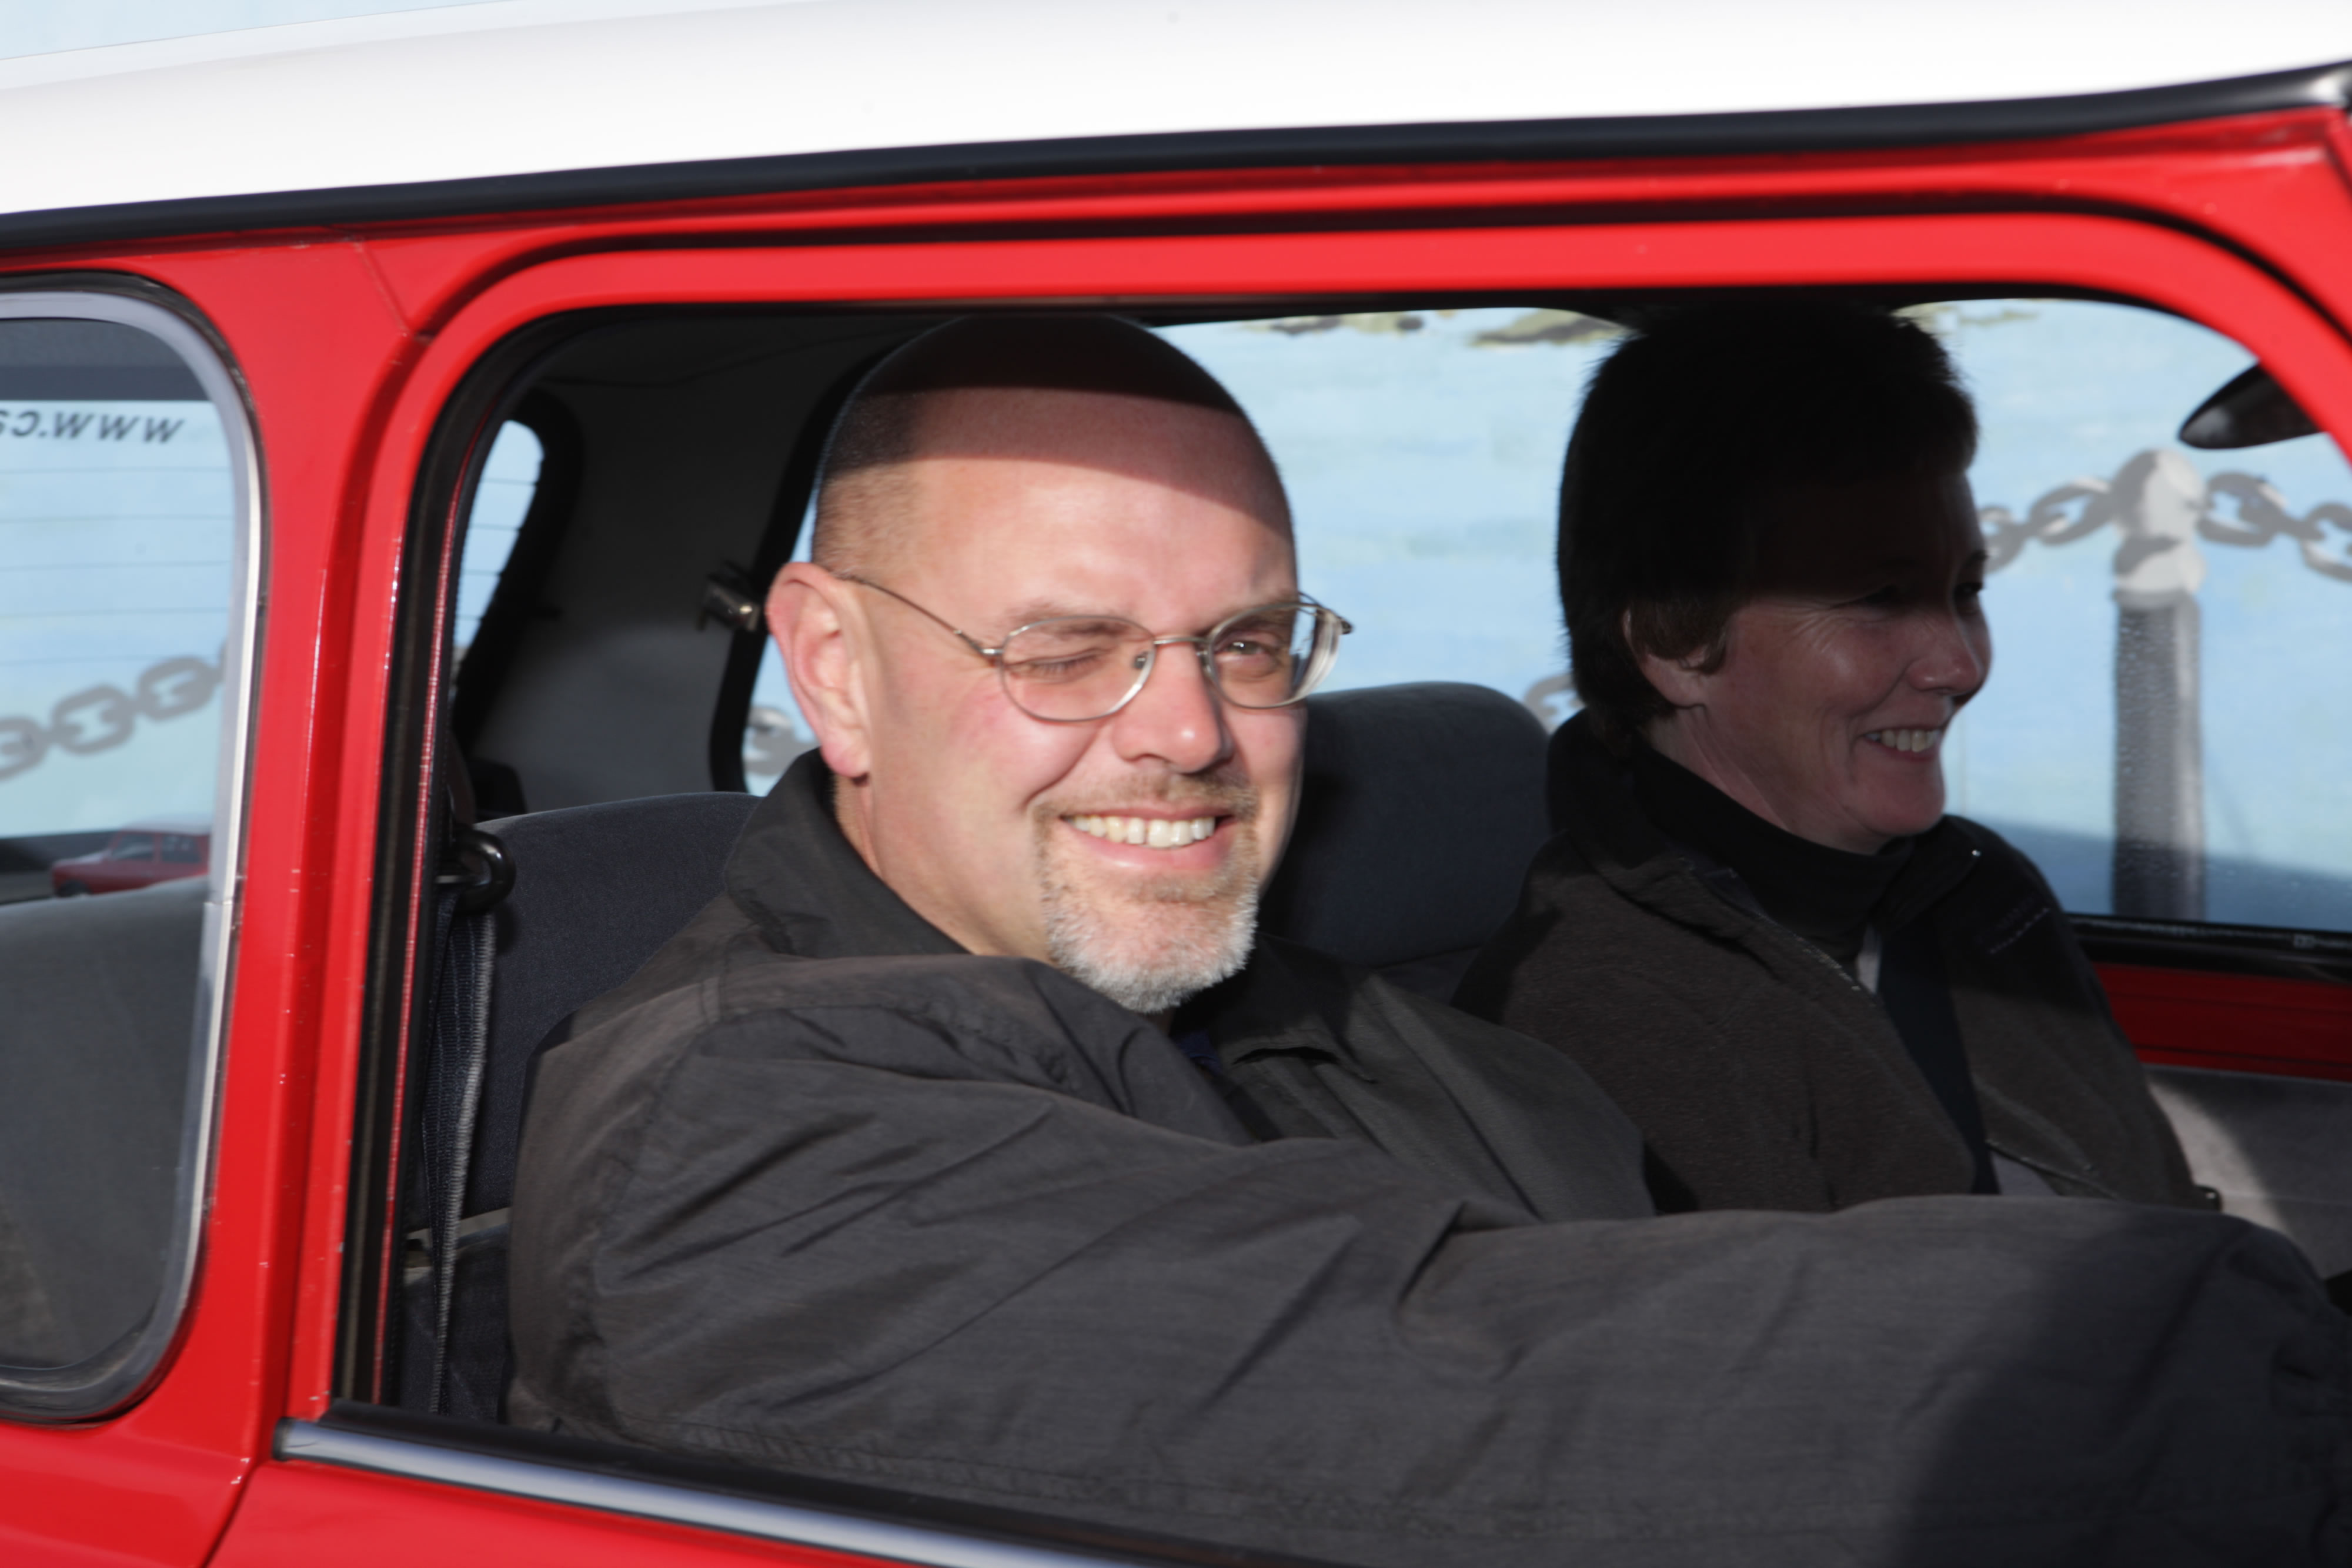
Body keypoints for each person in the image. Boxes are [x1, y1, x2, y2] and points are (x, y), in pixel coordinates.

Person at [509, 314, 2348, 1565]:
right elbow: (1506, 1387)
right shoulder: (745, 1144)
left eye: (1248, 644)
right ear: (833, 666)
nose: (1189, 730)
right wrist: (2265, 1370)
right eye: (1067, 651)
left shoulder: (1311, 1009)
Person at [1456, 300, 2200, 1216]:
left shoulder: (1982, 893)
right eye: (1879, 598)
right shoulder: (1605, 1012)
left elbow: (2165, 1219)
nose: (1960, 666)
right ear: (1675, 641)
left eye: (1965, 591)